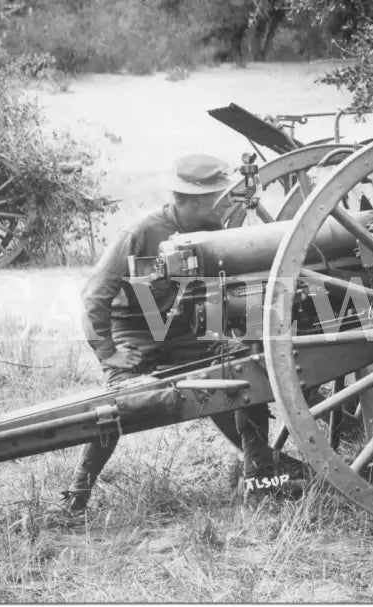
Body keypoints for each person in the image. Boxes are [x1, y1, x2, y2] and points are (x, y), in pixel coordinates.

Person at [57, 154, 301, 514]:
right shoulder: (140, 233)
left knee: (242, 374)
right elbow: (95, 296)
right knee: (119, 404)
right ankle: (77, 494)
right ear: (192, 201)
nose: (226, 203)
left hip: (190, 332)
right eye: (218, 198)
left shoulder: (222, 229)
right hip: (136, 333)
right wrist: (109, 354)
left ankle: (261, 476)